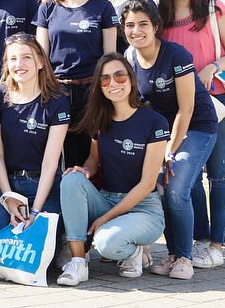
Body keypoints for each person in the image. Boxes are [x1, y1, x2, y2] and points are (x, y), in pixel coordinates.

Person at [158, 0, 225, 269]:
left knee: (219, 175)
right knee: (188, 176)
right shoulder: (160, 18)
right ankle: (199, 239)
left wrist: (213, 66)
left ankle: (217, 245)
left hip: (219, 104)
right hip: (181, 109)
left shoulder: (214, 10)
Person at [123, 0, 217, 279]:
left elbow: (186, 109)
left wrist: (169, 151)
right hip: (162, 132)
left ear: (155, 26)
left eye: (143, 24)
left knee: (175, 187)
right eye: (130, 25)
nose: (136, 31)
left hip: (197, 126)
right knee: (159, 187)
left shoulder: (176, 55)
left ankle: (186, 257)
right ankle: (173, 254)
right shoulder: (129, 57)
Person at [56, 54, 168, 286]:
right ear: (99, 86)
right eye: (105, 79)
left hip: (144, 208)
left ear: (131, 79)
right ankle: (78, 262)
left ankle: (134, 249)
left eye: (119, 76)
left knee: (106, 243)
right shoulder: (100, 119)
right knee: (71, 179)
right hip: (107, 199)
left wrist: (105, 219)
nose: (113, 83)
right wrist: (84, 171)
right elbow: (93, 160)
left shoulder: (154, 121)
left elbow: (148, 183)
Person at [0, 34, 69, 256]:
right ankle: (12, 234)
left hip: (45, 187)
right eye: (12, 58)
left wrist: (35, 212)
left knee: (40, 245)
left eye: (26, 57)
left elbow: (50, 162)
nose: (19, 64)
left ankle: (60, 240)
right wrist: (8, 197)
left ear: (40, 62)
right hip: (12, 184)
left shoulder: (57, 100)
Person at [35, 0, 118, 167]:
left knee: (88, 158)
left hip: (92, 92)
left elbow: (110, 58)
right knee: (54, 157)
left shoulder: (103, 7)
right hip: (56, 92)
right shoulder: (47, 8)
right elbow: (41, 57)